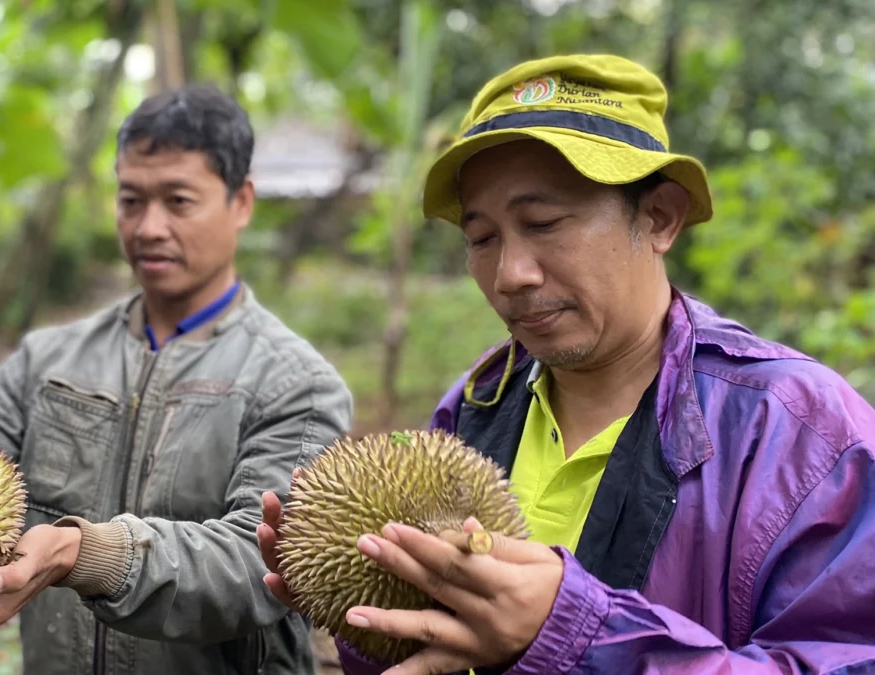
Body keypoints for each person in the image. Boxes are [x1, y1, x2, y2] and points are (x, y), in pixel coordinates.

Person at [257, 54, 875, 674]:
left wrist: (575, 633)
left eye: (545, 223)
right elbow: (433, 646)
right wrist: (363, 613)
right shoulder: (476, 406)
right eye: (482, 238)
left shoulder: (802, 435)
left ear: (658, 218)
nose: (510, 275)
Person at [0, 84, 353, 675]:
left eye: (178, 201)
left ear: (241, 203)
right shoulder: (45, 360)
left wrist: (86, 555)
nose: (148, 227)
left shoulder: (299, 385)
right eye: (131, 201)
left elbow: (258, 567)